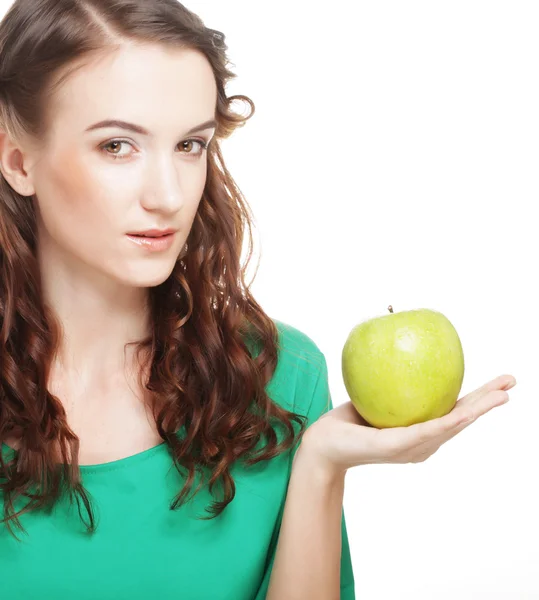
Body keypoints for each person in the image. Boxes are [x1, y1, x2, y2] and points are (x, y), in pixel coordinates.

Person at [0, 1, 516, 599]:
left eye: (191, 145)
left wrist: (320, 466)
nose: (168, 195)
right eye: (118, 146)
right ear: (17, 160)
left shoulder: (277, 378)